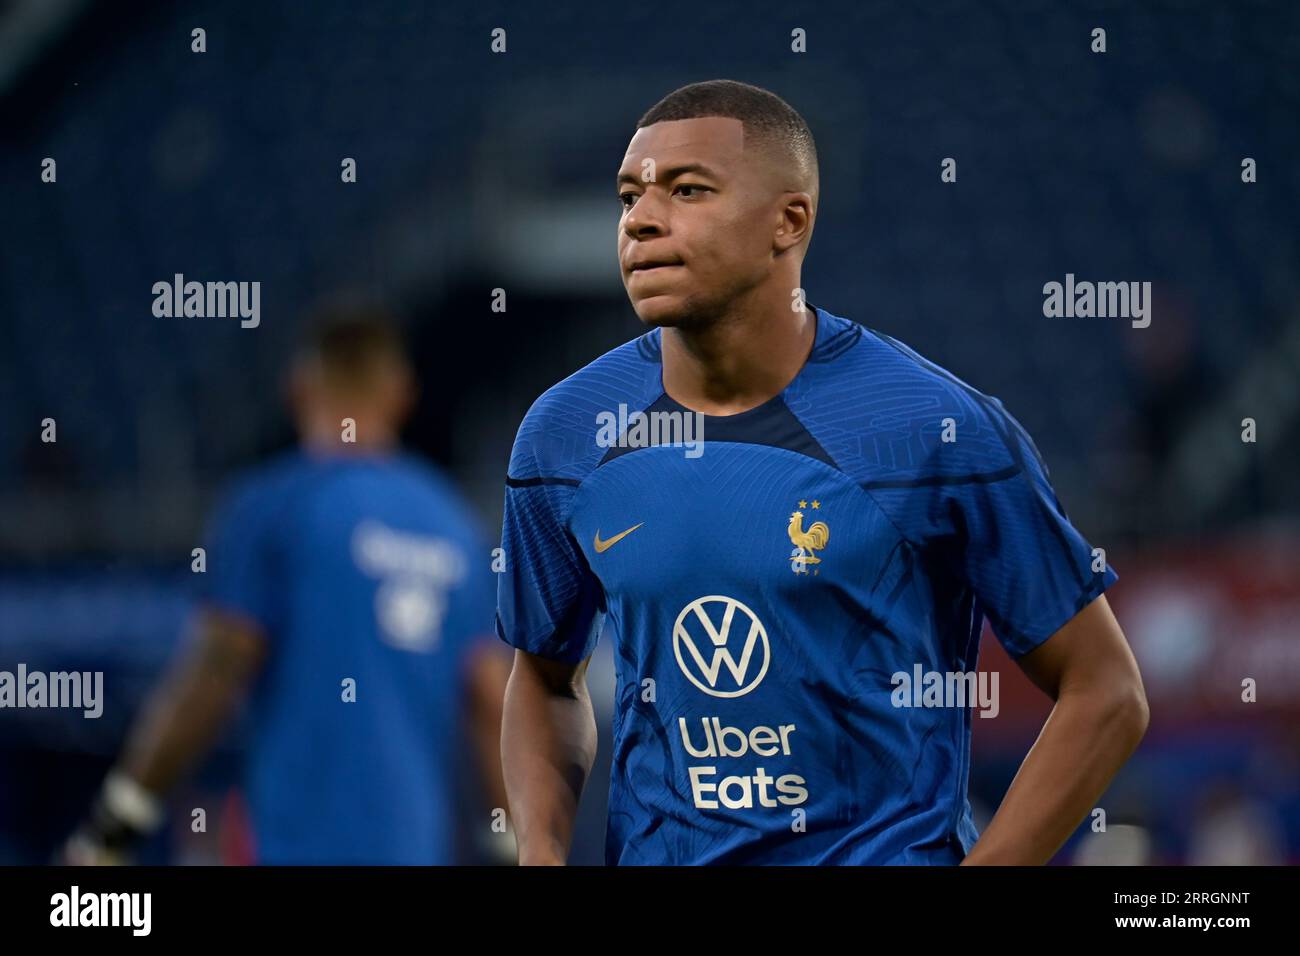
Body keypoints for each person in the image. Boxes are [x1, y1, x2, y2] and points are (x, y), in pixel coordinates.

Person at [497, 79, 1149, 865]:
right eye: (629, 195)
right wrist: (539, 852)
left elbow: (1106, 691)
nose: (640, 219)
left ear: (789, 221)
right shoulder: (564, 436)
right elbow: (542, 678)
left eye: (688, 190)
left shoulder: (935, 430)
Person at [66, 306, 511, 865]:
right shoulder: (456, 526)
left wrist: (118, 821)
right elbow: (493, 702)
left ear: (299, 388)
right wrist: (517, 845)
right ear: (401, 394)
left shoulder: (272, 508)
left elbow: (218, 669)